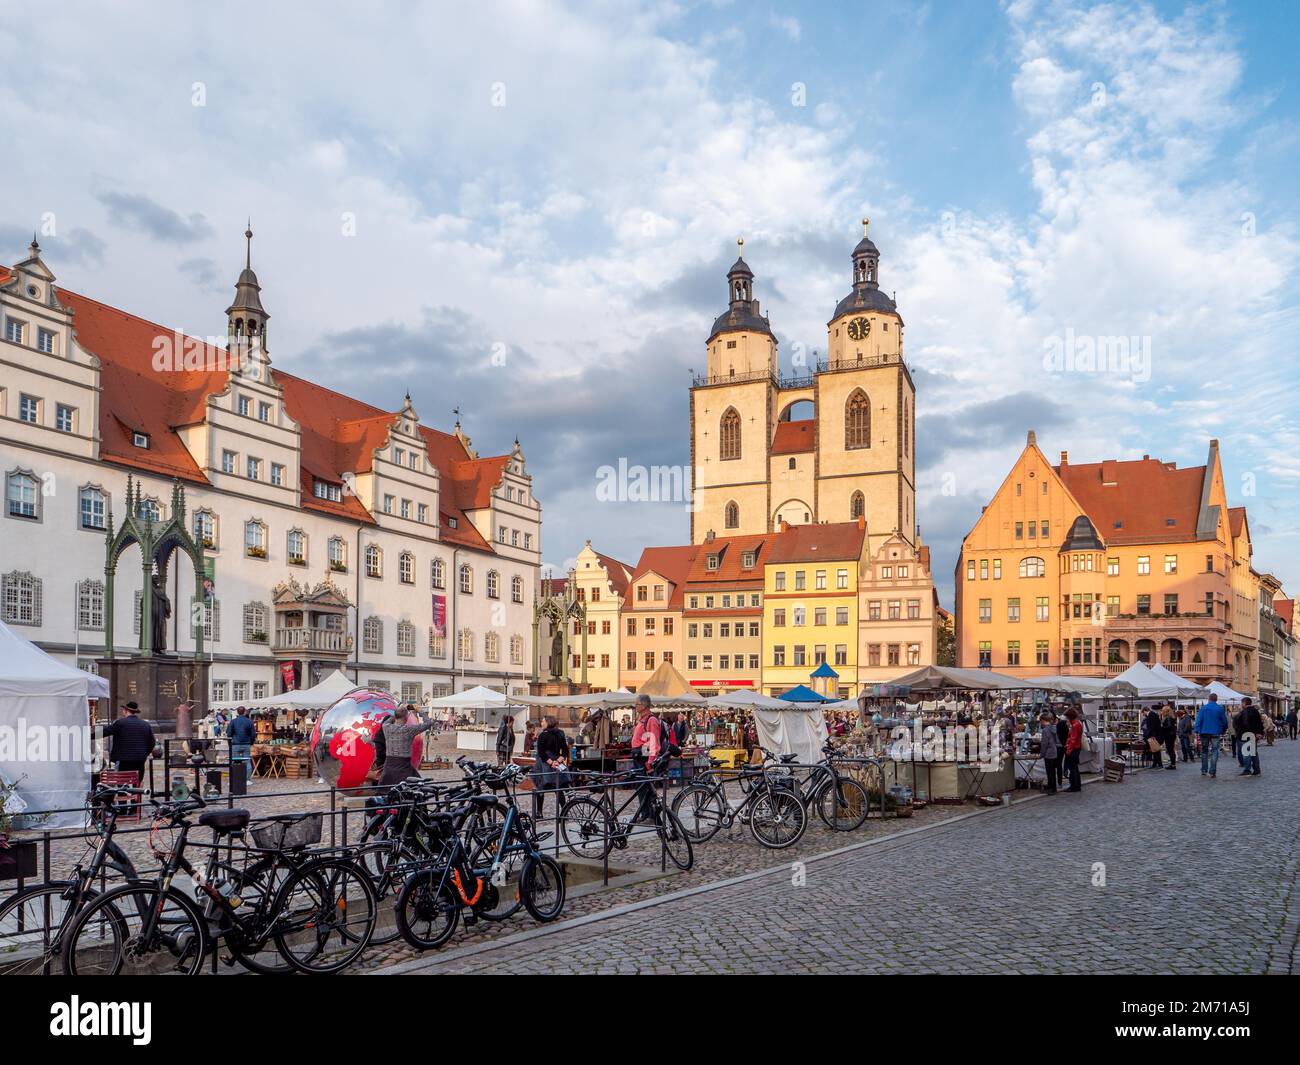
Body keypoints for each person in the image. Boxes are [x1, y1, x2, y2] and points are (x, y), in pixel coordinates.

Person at [377, 704, 435, 788]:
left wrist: (399, 711)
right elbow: (429, 723)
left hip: (389, 765)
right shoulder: (409, 730)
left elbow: (389, 720)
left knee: (386, 791)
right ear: (406, 717)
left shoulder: (386, 727)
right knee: (413, 790)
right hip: (404, 766)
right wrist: (419, 710)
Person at [103, 701, 155, 783]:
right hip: (139, 760)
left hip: (123, 761)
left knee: (122, 786)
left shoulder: (120, 723)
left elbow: (105, 732)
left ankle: (122, 795)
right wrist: (144, 753)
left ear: (125, 711)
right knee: (137, 785)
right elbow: (152, 742)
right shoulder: (145, 725)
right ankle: (136, 795)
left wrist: (88, 735)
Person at [531, 715, 570, 818]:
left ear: (548, 722)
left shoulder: (543, 735)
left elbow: (541, 753)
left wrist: (551, 763)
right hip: (557, 761)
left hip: (544, 763)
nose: (541, 723)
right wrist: (557, 761)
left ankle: (539, 812)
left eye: (543, 721)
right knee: (559, 787)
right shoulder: (560, 733)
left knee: (540, 787)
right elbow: (565, 751)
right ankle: (565, 811)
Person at [1193, 694, 1229, 778]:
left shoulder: (1203, 708)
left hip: (1204, 732)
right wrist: (1223, 730)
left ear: (1209, 699)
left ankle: (1204, 770)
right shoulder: (1220, 708)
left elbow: (1199, 720)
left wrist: (1197, 730)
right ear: (1216, 700)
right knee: (1215, 751)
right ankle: (1212, 771)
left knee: (1204, 751)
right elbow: (1224, 721)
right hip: (1215, 732)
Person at [225, 705, 257, 785]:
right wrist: (251, 742)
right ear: (245, 712)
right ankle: (247, 780)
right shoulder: (249, 721)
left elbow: (229, 734)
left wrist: (230, 743)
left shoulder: (233, 721)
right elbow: (253, 734)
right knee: (247, 762)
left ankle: (234, 779)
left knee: (234, 762)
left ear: (237, 712)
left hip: (236, 744)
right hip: (246, 744)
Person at [1236, 697, 1264, 777]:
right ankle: (1257, 770)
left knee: (1246, 753)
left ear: (1244, 703)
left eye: (1242, 703)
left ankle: (1247, 770)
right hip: (1254, 735)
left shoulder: (1245, 712)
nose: (1241, 705)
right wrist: (1259, 732)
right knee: (1254, 752)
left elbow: (1245, 723)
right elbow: (1260, 723)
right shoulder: (1256, 711)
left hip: (1246, 734)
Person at [1038, 712, 1060, 795]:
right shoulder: (1054, 728)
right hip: (1054, 752)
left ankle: (1051, 788)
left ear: (1043, 720)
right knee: (1053, 772)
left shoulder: (1045, 730)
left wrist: (1041, 754)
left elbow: (1044, 743)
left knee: (1049, 772)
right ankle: (1053, 787)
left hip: (1048, 753)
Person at [1062, 707, 1083, 792]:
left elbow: (1073, 739)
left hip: (1074, 748)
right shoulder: (1078, 723)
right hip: (1077, 748)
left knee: (1072, 768)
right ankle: (1077, 785)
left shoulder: (1074, 725)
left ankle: (1074, 786)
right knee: (1075, 768)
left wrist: (1068, 750)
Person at [1141, 705, 1164, 770]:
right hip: (1154, 735)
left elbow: (1153, 726)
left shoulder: (1151, 715)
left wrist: (1152, 736)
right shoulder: (1152, 714)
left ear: (1145, 711)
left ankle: (1160, 764)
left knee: (1156, 750)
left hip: (1154, 736)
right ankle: (1155, 764)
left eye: (1143, 713)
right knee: (1154, 750)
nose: (1143, 714)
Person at [1159, 705, 1178, 770]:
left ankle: (1173, 765)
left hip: (1169, 736)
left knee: (1170, 750)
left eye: (1162, 711)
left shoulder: (1168, 718)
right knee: (1171, 750)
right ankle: (1173, 764)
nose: (1161, 712)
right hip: (1171, 735)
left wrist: (1162, 727)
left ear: (1165, 711)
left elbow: (1169, 727)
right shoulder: (1171, 717)